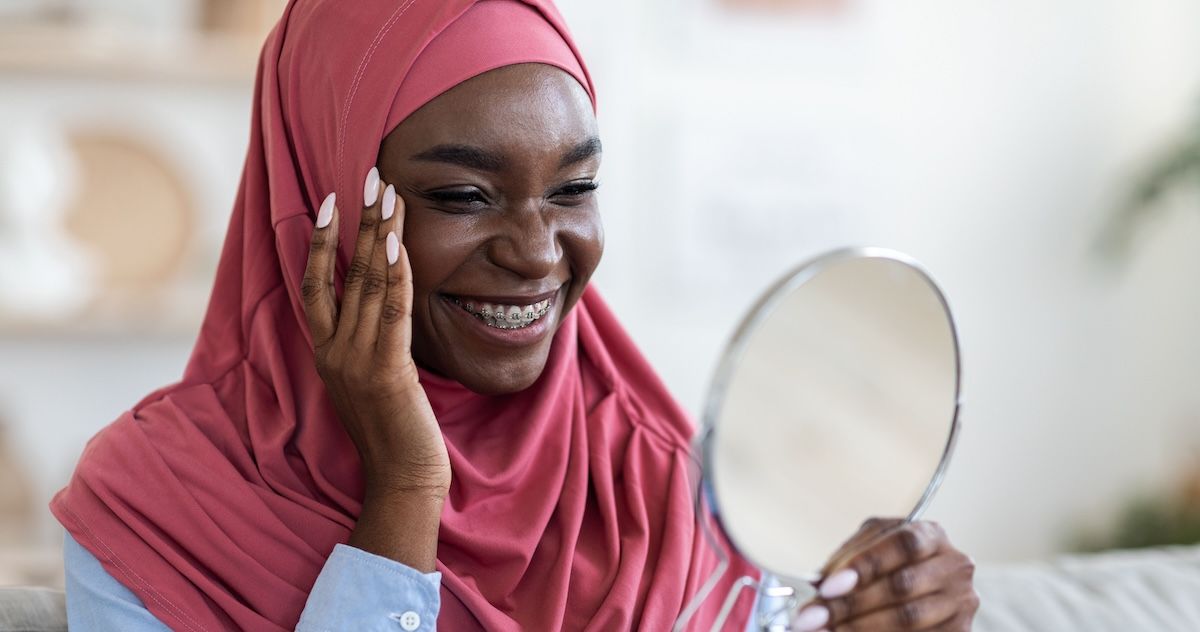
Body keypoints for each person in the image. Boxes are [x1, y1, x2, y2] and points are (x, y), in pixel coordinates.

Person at [50, 1, 979, 630]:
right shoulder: (154, 509)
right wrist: (407, 489)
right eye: (462, 194)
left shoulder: (652, 483)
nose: (538, 252)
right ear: (320, 201)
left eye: (574, 188)